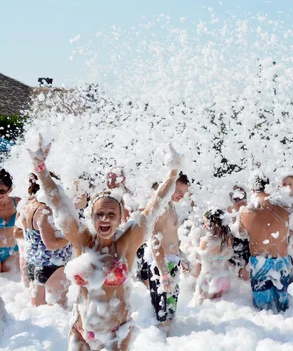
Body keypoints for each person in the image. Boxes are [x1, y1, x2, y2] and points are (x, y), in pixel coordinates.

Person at [27, 135, 182, 351]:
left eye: (111, 214)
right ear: (92, 217)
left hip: (116, 334)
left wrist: (173, 174)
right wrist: (41, 168)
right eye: (99, 214)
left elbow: (155, 205)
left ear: (120, 218)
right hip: (82, 332)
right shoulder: (83, 240)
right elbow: (59, 203)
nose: (105, 219)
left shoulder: (128, 241)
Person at [15, 173, 72, 307]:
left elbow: (17, 233)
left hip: (32, 264)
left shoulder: (25, 205)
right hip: (53, 266)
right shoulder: (44, 210)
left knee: (38, 313)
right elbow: (51, 244)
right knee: (60, 312)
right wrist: (71, 237)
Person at [240, 173, 293, 312]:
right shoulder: (284, 207)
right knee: (287, 310)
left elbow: (239, 232)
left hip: (260, 263)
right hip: (283, 261)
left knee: (263, 312)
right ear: (268, 186)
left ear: (252, 189)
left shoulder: (247, 211)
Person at [148, 172, 190, 333]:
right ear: (170, 185)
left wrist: (182, 257)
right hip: (161, 265)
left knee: (169, 316)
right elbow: (155, 240)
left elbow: (170, 237)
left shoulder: (170, 206)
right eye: (179, 191)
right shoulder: (162, 207)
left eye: (184, 192)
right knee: (161, 317)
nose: (182, 195)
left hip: (170, 263)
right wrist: (164, 272)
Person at [195, 209, 233, 304]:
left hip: (208, 280)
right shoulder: (228, 238)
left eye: (205, 222)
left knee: (202, 307)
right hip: (224, 279)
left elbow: (199, 262)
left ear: (213, 223)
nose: (204, 225)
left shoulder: (206, 241)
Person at [228, 185, 251, 280]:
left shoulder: (251, 213)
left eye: (242, 198)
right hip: (232, 252)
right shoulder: (228, 215)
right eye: (236, 199)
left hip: (249, 251)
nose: (240, 202)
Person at [0, 169, 20, 273]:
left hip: (13, 252)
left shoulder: (18, 203)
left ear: (10, 190)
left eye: (2, 191)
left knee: (15, 283)